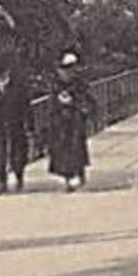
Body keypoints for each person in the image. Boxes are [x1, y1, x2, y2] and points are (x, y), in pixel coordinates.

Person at [47, 52, 92, 191]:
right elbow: (52, 104)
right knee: (62, 151)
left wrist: (80, 108)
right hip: (60, 123)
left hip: (75, 121)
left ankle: (79, 173)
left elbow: (88, 101)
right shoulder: (55, 86)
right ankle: (67, 178)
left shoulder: (80, 84)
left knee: (76, 148)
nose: (66, 73)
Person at [0, 65, 30, 192]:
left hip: (15, 123)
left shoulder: (18, 88)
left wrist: (29, 125)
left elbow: (26, 107)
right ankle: (1, 181)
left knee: (18, 152)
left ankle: (18, 174)